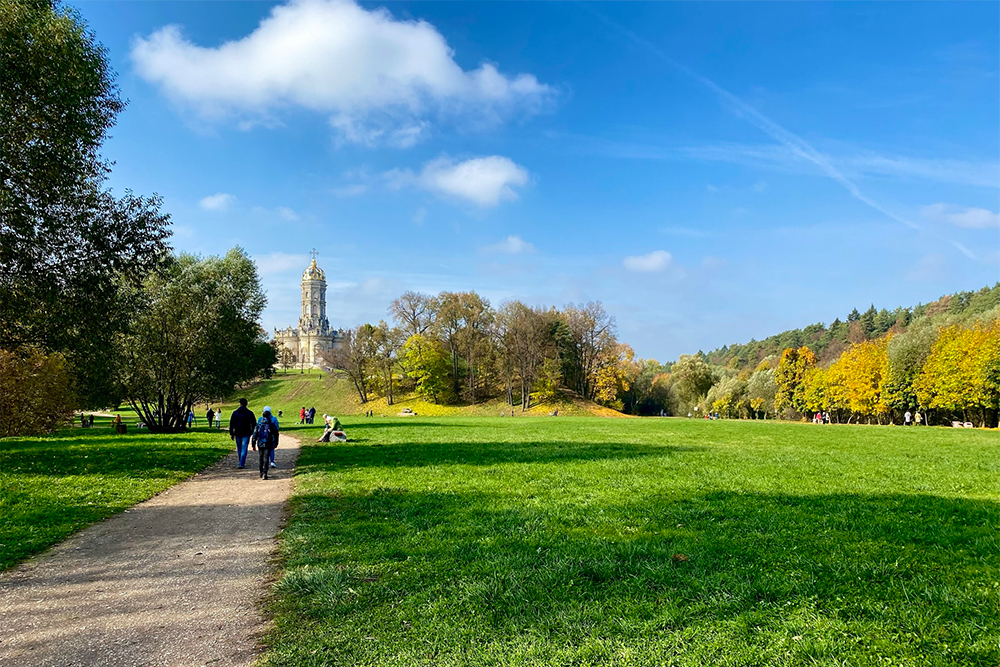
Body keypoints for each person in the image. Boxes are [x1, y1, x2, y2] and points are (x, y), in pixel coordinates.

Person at [252, 406, 280, 479]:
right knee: (266, 458)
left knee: (261, 457)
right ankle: (265, 473)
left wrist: (253, 444)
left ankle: (261, 472)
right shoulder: (271, 425)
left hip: (260, 443)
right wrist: (276, 443)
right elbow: (276, 434)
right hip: (269, 443)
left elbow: (254, 435)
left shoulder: (259, 425)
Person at [229, 398, 256, 469]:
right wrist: (252, 431)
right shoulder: (250, 413)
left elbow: (232, 424)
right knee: (244, 447)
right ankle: (242, 462)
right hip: (246, 432)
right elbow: (254, 423)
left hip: (238, 432)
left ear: (240, 404)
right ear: (246, 404)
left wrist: (231, 433)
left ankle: (240, 461)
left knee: (239, 447)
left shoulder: (235, 413)